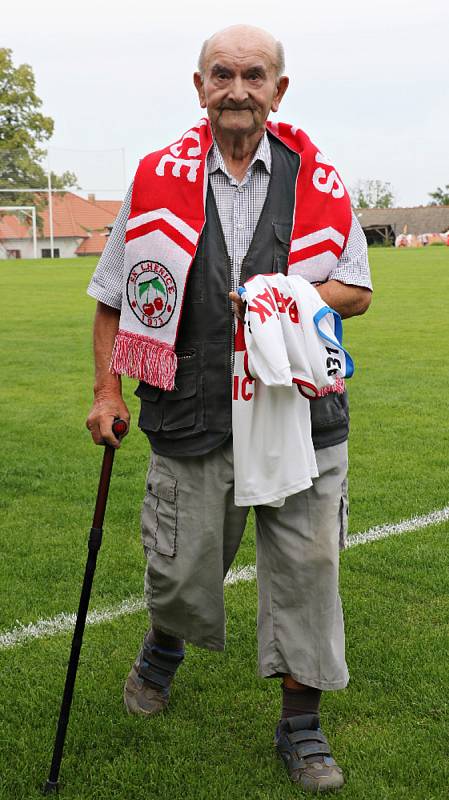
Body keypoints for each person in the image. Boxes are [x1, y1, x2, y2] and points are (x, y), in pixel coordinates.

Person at [86, 24, 372, 794]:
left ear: (278, 91)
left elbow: (357, 288)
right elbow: (114, 295)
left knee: (308, 569)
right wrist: (107, 390)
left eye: (253, 75)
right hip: (192, 407)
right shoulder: (155, 180)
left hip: (300, 413)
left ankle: (301, 726)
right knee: (182, 566)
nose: (237, 89)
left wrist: (288, 295)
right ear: (199, 86)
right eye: (222, 74)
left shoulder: (319, 178)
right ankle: (166, 643)